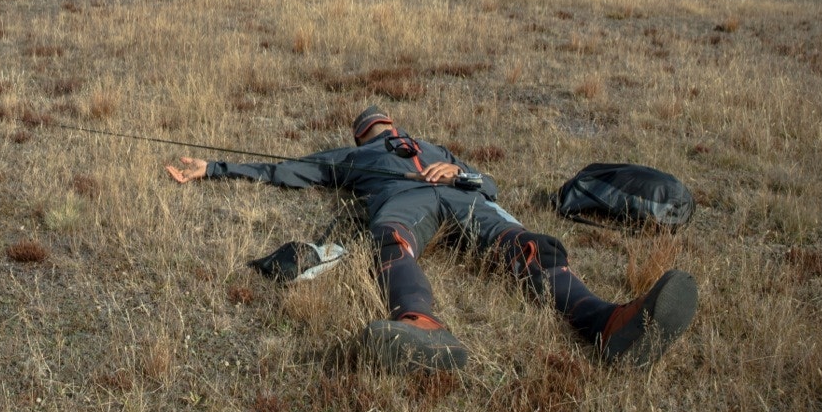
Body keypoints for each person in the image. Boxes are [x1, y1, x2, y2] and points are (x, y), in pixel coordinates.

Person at [165, 106, 697, 372]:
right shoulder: (350, 156)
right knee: (390, 240)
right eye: (374, 127)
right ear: (363, 135)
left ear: (396, 125)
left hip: (460, 194)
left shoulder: (437, 147)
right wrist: (213, 167)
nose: (382, 129)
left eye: (384, 124)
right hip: (403, 200)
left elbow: (490, 185)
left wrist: (461, 173)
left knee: (525, 243)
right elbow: (286, 171)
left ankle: (606, 322)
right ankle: (420, 325)